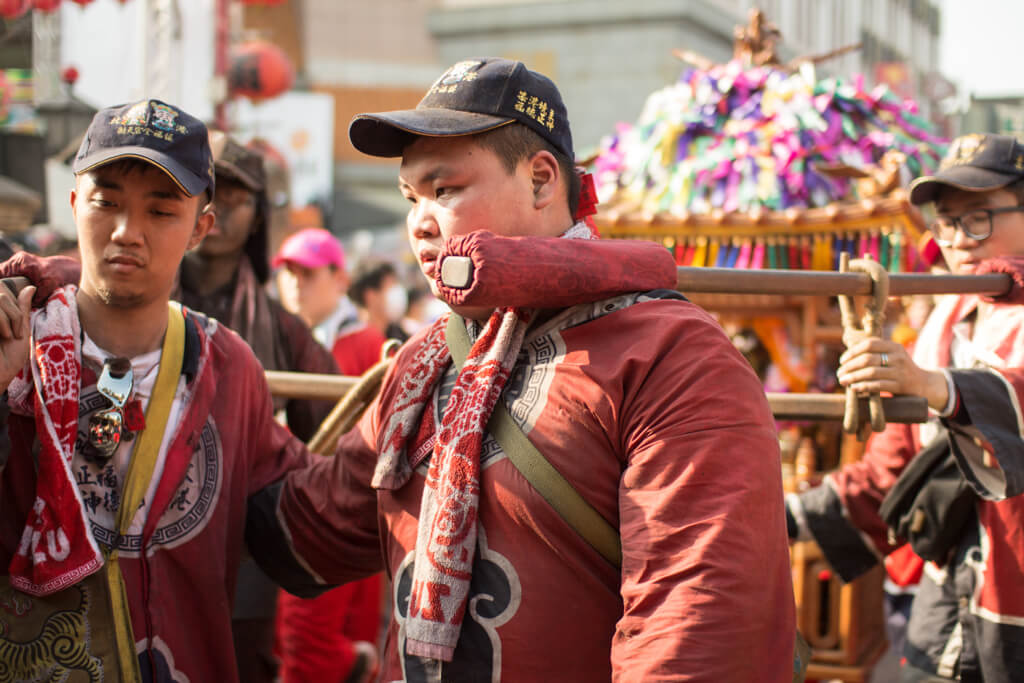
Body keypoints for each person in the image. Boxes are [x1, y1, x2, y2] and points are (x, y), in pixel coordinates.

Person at [249, 57, 796, 680]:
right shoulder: (425, 359)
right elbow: (312, 523)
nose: (420, 223)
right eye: (411, 196)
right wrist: (216, 385)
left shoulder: (673, 356)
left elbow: (698, 631)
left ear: (541, 181)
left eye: (445, 189)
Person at [0, 99, 315, 681]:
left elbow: (308, 506)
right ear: (74, 205)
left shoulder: (229, 365)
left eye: (161, 210)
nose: (126, 231)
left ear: (202, 226)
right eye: (107, 202)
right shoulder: (20, 343)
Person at [786, 133, 1024, 682]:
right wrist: (784, 520)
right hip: (948, 600)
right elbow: (892, 468)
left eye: (979, 217)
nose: (960, 239)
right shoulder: (945, 320)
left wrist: (935, 386)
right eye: (946, 222)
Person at [175, 131, 339, 683]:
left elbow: (334, 437)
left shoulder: (284, 328)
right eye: (209, 189)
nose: (220, 208)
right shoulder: (132, 303)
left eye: (239, 196)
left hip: (238, 547)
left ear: (258, 214)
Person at [273, 227, 387, 376]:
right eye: (290, 272)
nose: (296, 283)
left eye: (308, 273)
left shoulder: (368, 343)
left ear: (340, 279)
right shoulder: (275, 340)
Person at [347, 259, 409, 342]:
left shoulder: (403, 339)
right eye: (391, 286)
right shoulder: (349, 340)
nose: (397, 294)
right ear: (370, 296)